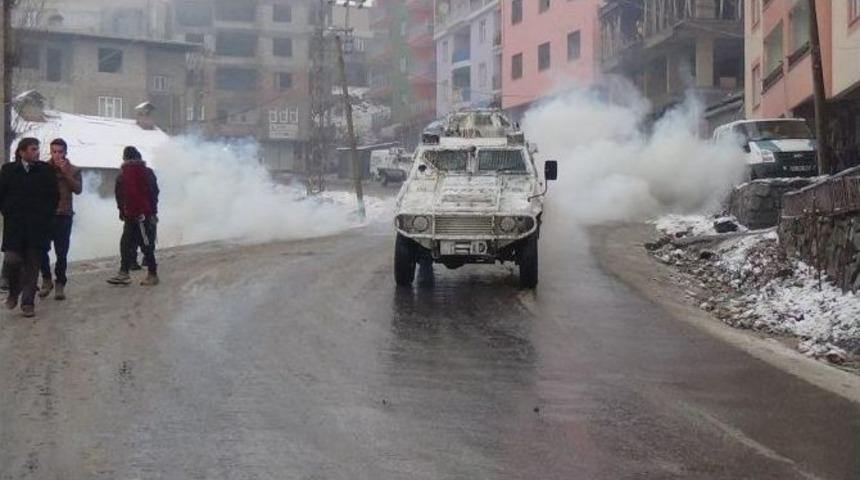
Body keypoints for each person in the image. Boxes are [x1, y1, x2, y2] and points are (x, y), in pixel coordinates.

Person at [0, 138, 60, 317]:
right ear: (22, 152)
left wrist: (46, 216)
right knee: (11, 261)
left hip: (37, 226)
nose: (37, 152)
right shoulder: (8, 170)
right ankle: (13, 292)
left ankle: (28, 303)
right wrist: (8, 211)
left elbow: (53, 196)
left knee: (33, 265)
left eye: (37, 149)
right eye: (33, 149)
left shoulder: (46, 170)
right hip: (15, 225)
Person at [107, 146, 160, 286]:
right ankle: (129, 272)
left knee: (128, 243)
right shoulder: (148, 172)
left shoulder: (124, 174)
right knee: (144, 243)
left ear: (125, 158)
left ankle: (146, 274)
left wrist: (122, 212)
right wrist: (153, 212)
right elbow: (154, 193)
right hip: (144, 214)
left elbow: (120, 195)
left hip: (134, 214)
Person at [38, 138, 82, 301]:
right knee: (41, 249)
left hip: (64, 215)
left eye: (60, 152)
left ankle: (60, 283)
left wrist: (65, 173)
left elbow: (78, 189)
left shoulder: (74, 169)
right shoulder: (42, 168)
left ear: (65, 152)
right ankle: (47, 279)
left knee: (61, 252)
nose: (57, 155)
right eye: (54, 151)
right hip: (45, 215)